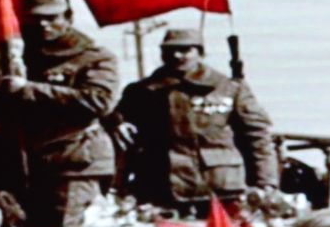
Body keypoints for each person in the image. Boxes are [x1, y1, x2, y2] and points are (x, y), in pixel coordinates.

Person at [111, 27, 279, 214]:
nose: (176, 55)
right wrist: (118, 185)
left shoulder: (228, 89)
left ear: (200, 52)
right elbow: (120, 135)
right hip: (159, 189)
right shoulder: (141, 92)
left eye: (185, 50)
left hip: (220, 190)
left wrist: (265, 182)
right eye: (169, 50)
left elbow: (258, 136)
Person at [0, 0, 119, 227]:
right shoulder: (17, 58)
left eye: (52, 18)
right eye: (35, 19)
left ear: (68, 17)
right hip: (29, 165)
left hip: (75, 161)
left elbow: (99, 101)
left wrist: (28, 89)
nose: (43, 25)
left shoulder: (94, 57)